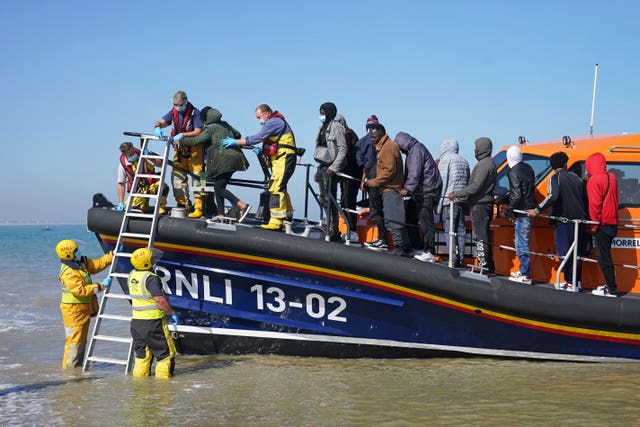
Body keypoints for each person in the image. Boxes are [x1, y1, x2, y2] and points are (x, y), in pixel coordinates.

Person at [221, 104, 296, 230]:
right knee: (280, 187)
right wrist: (262, 152)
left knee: (276, 187)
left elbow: (258, 137)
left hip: (284, 158)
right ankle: (286, 218)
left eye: (259, 117)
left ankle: (276, 220)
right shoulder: (275, 122)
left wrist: (236, 142)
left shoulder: (274, 122)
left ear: (266, 114)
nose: (258, 120)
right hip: (280, 160)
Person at [527, 151, 588, 291]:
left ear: (553, 166)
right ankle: (577, 282)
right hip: (580, 222)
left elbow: (552, 197)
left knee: (564, 253)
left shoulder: (555, 178)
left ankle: (568, 282)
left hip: (563, 222)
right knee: (577, 254)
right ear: (565, 164)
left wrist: (536, 210)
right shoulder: (577, 179)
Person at [178, 107, 251, 221]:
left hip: (218, 163)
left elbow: (197, 140)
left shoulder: (209, 128)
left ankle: (242, 205)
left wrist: (181, 140)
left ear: (205, 120)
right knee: (218, 186)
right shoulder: (225, 124)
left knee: (216, 187)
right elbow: (237, 134)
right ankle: (220, 213)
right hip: (233, 160)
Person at [56, 239, 113, 368]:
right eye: (76, 251)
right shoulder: (69, 272)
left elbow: (96, 265)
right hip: (73, 312)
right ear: (69, 255)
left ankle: (77, 367)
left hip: (82, 309)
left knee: (81, 340)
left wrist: (111, 256)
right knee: (74, 342)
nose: (79, 252)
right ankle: (69, 371)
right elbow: (80, 291)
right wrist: (101, 286)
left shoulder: (80, 263)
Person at [448, 137, 497, 274]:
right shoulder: (489, 163)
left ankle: (484, 265)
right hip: (484, 204)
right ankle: (489, 266)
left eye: (476, 147)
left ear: (482, 148)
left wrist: (456, 194)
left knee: (481, 237)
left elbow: (475, 187)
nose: (474, 150)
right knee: (484, 235)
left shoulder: (484, 165)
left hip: (480, 205)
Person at [128, 248, 179, 378]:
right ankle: (162, 389)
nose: (154, 260)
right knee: (165, 355)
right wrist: (172, 313)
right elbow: (159, 300)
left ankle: (140, 387)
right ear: (146, 263)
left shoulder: (132, 275)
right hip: (153, 323)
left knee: (142, 356)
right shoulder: (151, 279)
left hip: (136, 323)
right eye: (152, 259)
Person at [153, 91, 204, 214]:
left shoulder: (195, 113)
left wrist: (182, 135)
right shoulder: (173, 112)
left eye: (180, 105)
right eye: (175, 105)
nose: (178, 107)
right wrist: (157, 127)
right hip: (180, 151)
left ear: (186, 102)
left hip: (196, 151)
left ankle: (201, 205)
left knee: (200, 177)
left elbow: (198, 131)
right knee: (177, 177)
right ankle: (182, 203)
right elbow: (160, 121)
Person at [395, 132, 443, 262]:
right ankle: (417, 246)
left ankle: (430, 251)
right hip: (420, 192)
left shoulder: (416, 150)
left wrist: (407, 189)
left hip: (427, 192)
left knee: (426, 221)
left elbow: (414, 173)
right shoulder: (413, 151)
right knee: (410, 217)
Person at [364, 124, 410, 256]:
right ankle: (403, 247)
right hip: (389, 189)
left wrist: (374, 182)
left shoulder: (388, 147)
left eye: (374, 133)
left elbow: (389, 171)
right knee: (394, 219)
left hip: (391, 189)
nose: (371, 136)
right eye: (370, 134)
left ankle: (399, 247)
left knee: (393, 220)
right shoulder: (386, 146)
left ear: (382, 133)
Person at [313, 102, 348, 242]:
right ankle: (329, 226)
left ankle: (335, 229)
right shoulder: (322, 127)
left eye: (323, 112)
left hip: (330, 168)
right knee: (323, 198)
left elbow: (342, 148)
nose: (321, 115)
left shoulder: (336, 127)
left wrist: (334, 167)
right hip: (322, 166)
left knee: (330, 198)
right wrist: (318, 170)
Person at [585, 152, 619, 297]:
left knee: (603, 257)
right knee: (607, 256)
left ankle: (611, 288)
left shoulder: (593, 181)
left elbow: (595, 205)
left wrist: (593, 225)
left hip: (602, 224)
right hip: (613, 223)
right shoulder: (612, 177)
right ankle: (610, 285)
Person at [504, 146, 536, 284]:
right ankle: (523, 270)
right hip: (529, 209)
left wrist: (509, 208)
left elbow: (516, 195)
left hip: (521, 212)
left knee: (521, 243)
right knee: (522, 241)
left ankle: (526, 274)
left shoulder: (513, 172)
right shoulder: (528, 168)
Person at [437, 138, 470, 268]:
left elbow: (442, 182)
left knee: (449, 231)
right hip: (462, 201)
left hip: (449, 201)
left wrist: (438, 205)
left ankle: (452, 259)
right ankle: (461, 259)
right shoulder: (464, 160)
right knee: (461, 230)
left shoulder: (446, 160)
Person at [359, 115, 388, 251]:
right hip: (375, 179)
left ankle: (382, 239)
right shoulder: (377, 143)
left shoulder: (370, 143)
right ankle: (381, 238)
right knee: (377, 209)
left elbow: (368, 162)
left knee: (376, 210)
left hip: (376, 180)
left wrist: (365, 178)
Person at [116, 141, 168, 214]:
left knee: (163, 187)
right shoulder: (123, 165)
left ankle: (160, 208)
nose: (133, 155)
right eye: (130, 155)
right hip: (139, 190)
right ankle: (143, 205)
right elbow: (121, 184)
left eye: (133, 152)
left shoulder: (143, 156)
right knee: (132, 207)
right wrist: (121, 202)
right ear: (125, 155)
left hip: (152, 185)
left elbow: (160, 164)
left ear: (133, 148)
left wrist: (149, 156)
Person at [336, 114, 362, 241]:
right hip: (346, 173)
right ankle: (348, 228)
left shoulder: (349, 135)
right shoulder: (347, 135)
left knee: (348, 201)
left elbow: (350, 156)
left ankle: (352, 230)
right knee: (344, 201)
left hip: (351, 174)